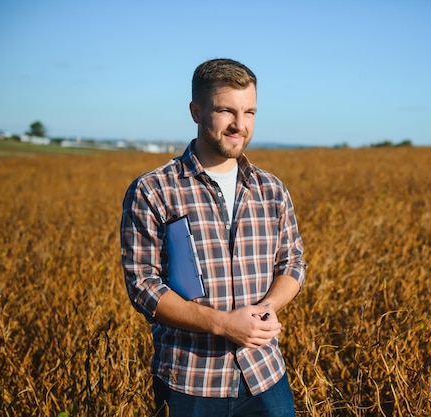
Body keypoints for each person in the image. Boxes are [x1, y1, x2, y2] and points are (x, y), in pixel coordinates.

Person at [120, 58, 307, 417]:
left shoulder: (271, 189)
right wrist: (224, 324)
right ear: (195, 111)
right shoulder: (153, 190)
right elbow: (143, 287)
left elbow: (293, 263)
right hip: (190, 383)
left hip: (265, 375)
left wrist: (269, 306)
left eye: (249, 111)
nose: (240, 124)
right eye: (225, 111)